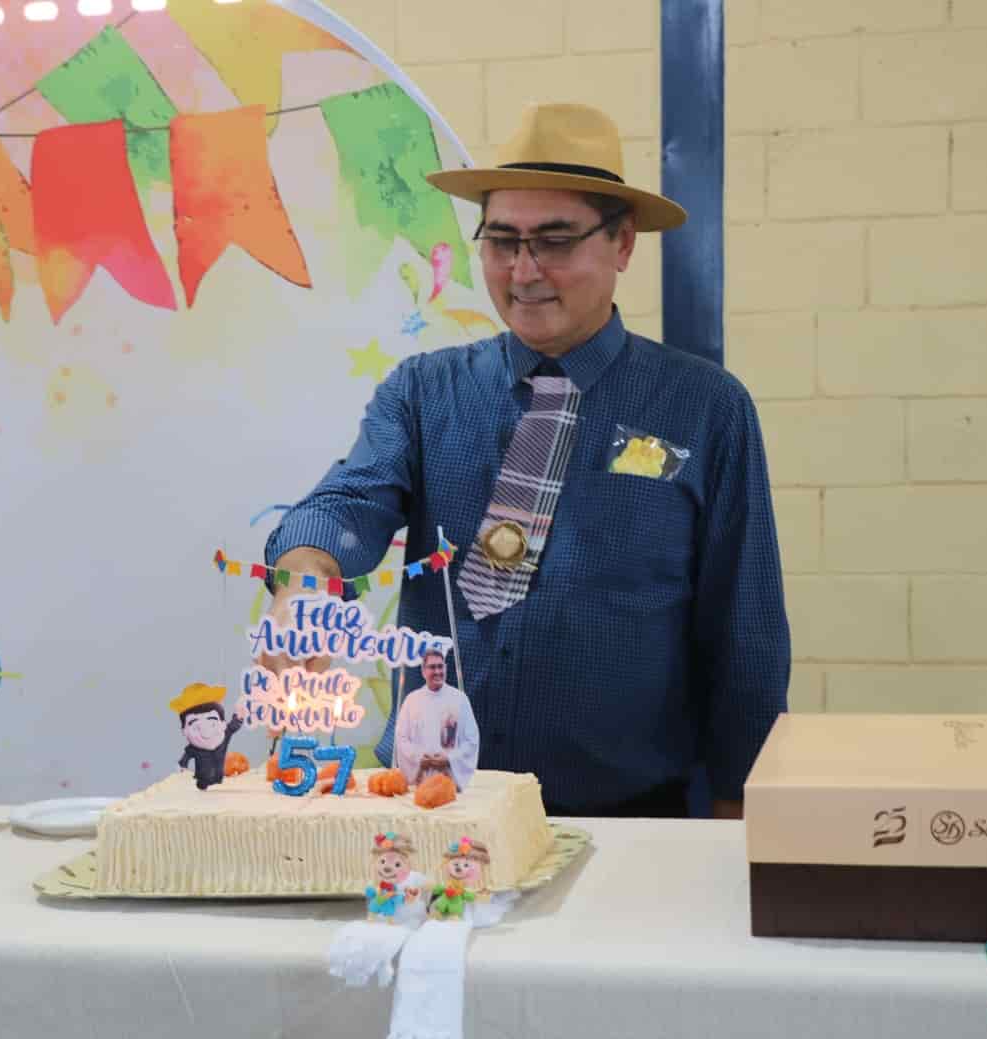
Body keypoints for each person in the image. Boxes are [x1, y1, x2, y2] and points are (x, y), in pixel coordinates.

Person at [264, 102, 789, 819]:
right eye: (502, 240)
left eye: (555, 241)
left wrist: (742, 804)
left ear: (623, 244)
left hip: (625, 820)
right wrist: (306, 577)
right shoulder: (424, 393)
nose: (524, 270)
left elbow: (744, 630)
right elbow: (350, 504)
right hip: (427, 810)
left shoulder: (704, 408)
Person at [394, 648, 480, 790]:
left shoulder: (459, 699)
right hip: (420, 781)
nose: (437, 671)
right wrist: (419, 758)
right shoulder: (412, 700)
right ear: (423, 671)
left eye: (440, 666)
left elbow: (471, 740)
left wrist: (449, 759)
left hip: (450, 781)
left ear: (445, 668)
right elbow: (402, 738)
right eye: (432, 667)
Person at [171, 683, 245, 790]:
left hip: (220, 783)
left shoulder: (223, 737)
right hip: (202, 783)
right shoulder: (193, 748)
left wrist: (239, 714)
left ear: (222, 723)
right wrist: (182, 767)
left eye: (212, 721)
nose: (205, 730)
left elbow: (234, 725)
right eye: (194, 724)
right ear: (184, 731)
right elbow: (184, 760)